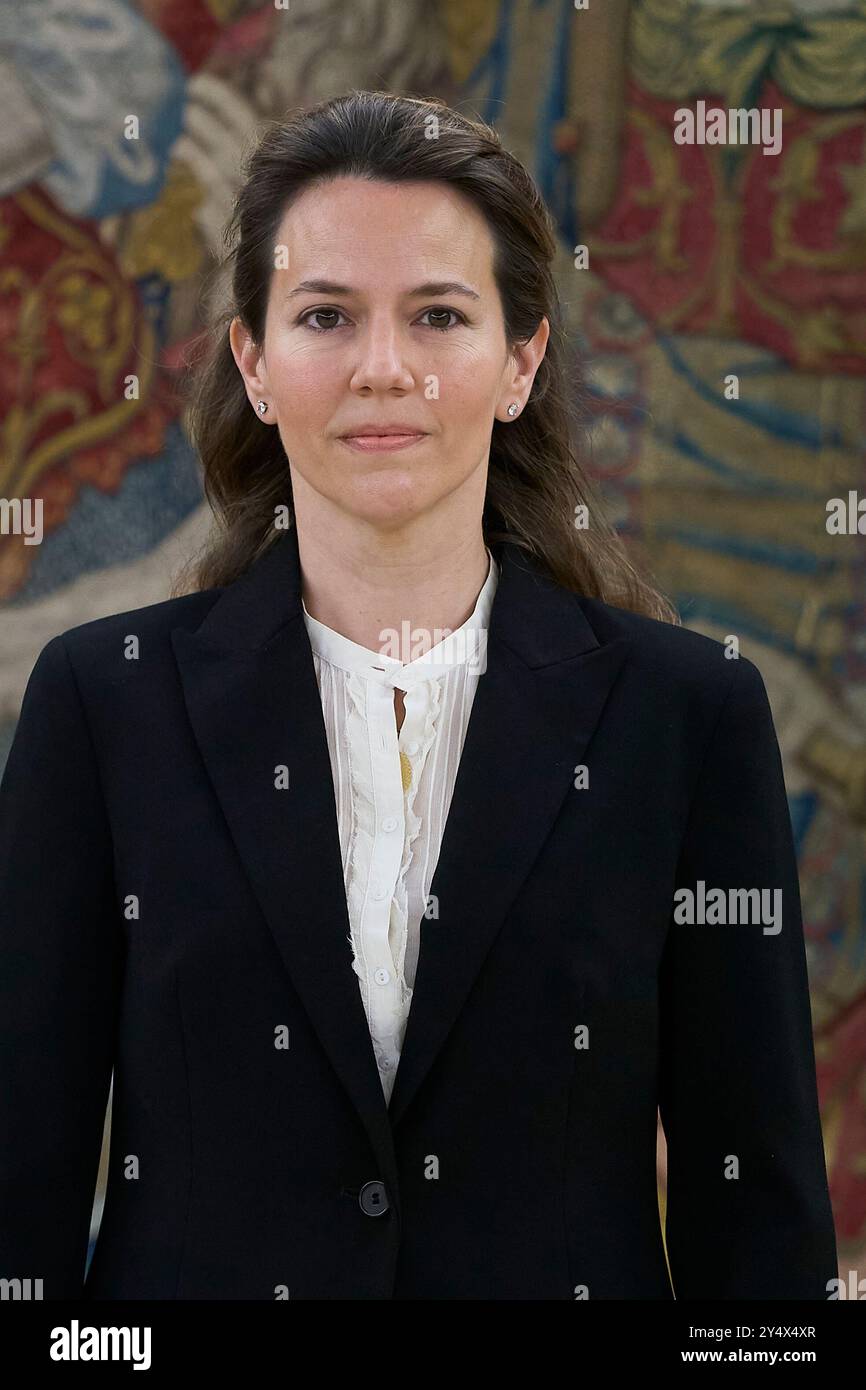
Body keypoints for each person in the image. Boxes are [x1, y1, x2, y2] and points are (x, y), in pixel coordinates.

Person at [0, 90, 837, 1300]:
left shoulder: (686, 715)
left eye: (438, 316)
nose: (382, 368)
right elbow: (19, 1181)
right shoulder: (101, 705)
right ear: (254, 358)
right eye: (325, 315)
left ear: (519, 359)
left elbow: (750, 1206)